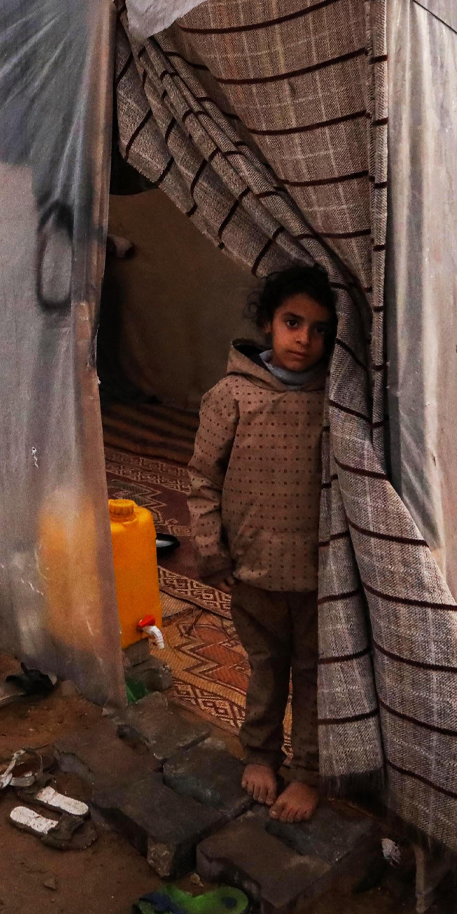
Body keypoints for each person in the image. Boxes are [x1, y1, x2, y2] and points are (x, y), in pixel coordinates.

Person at [186, 263, 336, 823]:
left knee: (317, 676)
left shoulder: (335, 399)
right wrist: (211, 552)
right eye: (292, 322)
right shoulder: (232, 395)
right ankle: (261, 756)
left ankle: (309, 774)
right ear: (268, 323)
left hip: (319, 578)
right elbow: (203, 478)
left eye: (320, 329)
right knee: (266, 669)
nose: (304, 338)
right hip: (252, 574)